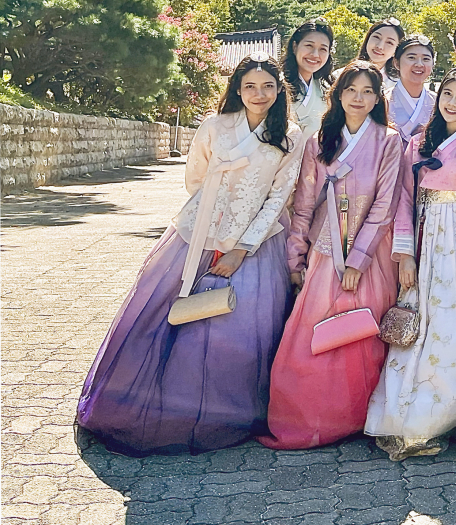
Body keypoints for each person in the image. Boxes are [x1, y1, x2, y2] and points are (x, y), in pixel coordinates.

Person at [77, 54, 305, 455]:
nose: (259, 94)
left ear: (279, 90)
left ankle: (223, 410)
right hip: (198, 233)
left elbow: (278, 197)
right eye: (250, 86)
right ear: (237, 88)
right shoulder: (215, 126)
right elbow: (195, 179)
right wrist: (215, 217)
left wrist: (240, 248)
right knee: (166, 312)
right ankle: (152, 401)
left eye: (268, 86)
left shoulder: (289, 134)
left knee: (237, 327)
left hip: (256, 241)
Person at [261, 62, 402, 449]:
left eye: (367, 92)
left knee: (362, 332)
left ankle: (354, 416)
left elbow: (386, 204)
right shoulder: (319, 140)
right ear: (338, 95)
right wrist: (296, 257)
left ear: (377, 98)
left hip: (370, 252)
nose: (359, 98)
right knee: (315, 332)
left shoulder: (389, 140)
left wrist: (357, 260)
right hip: (325, 248)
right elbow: (304, 205)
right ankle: (312, 416)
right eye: (351, 90)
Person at [364, 67, 456, 459]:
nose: (452, 103)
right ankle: (402, 416)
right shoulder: (420, 142)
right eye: (447, 94)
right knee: (416, 325)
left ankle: (438, 416)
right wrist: (404, 253)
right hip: (423, 242)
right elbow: (404, 200)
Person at [283, 19, 334, 138]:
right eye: (309, 45)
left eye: (323, 49)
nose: (315, 54)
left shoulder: (328, 89)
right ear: (295, 46)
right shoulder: (277, 85)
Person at [388, 34, 437, 147]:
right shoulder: (382, 100)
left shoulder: (439, 102)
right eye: (411, 58)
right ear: (396, 63)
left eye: (426, 59)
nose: (419, 64)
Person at [357, 18, 406, 84]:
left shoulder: (399, 84)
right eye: (377, 37)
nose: (380, 46)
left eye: (389, 42)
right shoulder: (342, 75)